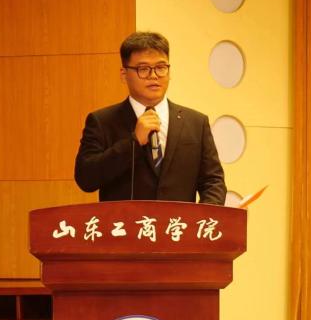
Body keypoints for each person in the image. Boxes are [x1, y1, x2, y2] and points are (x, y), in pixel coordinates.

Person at [74, 31, 226, 204]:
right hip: (126, 221)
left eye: (161, 67)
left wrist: (202, 216)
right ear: (124, 75)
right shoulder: (102, 121)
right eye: (143, 69)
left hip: (178, 221)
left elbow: (213, 181)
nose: (154, 76)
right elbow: (86, 179)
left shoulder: (196, 123)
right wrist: (133, 142)